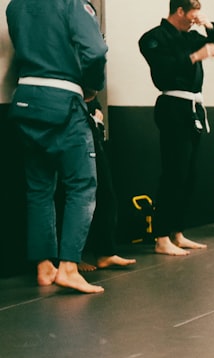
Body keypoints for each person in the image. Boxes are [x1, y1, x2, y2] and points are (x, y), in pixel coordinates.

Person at [6, 0, 107, 294]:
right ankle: (69, 267)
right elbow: (96, 51)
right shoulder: (72, 4)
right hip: (63, 102)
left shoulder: (15, 6)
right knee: (82, 186)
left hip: (25, 100)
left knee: (38, 189)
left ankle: (44, 266)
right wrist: (92, 86)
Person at [139, 0, 214, 256]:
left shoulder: (190, 37)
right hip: (172, 107)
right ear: (180, 11)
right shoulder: (153, 38)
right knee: (173, 173)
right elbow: (164, 69)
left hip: (193, 108)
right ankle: (161, 236)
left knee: (188, 174)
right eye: (193, 12)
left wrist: (210, 26)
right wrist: (194, 57)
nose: (195, 17)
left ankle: (177, 232)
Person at [79, 100, 136, 272]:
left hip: (87, 118)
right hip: (71, 116)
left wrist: (96, 109)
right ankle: (70, 258)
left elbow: (93, 88)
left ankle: (105, 252)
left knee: (105, 191)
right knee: (74, 192)